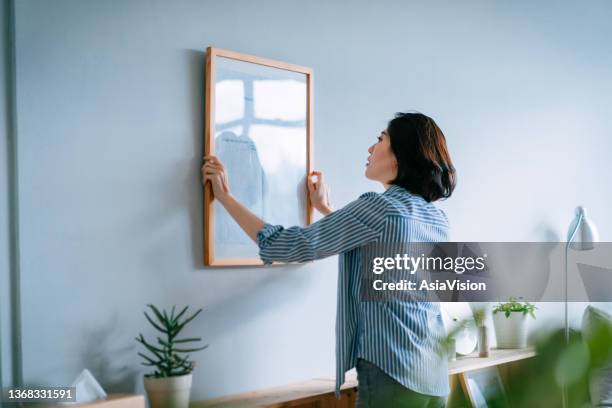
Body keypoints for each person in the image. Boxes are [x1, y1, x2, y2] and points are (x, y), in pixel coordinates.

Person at [202, 112, 456, 408]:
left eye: (381, 139)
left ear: (401, 155)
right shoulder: (435, 217)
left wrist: (225, 196)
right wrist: (326, 209)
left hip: (394, 372)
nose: (371, 149)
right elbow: (380, 247)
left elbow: (290, 245)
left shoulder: (379, 208)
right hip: (434, 377)